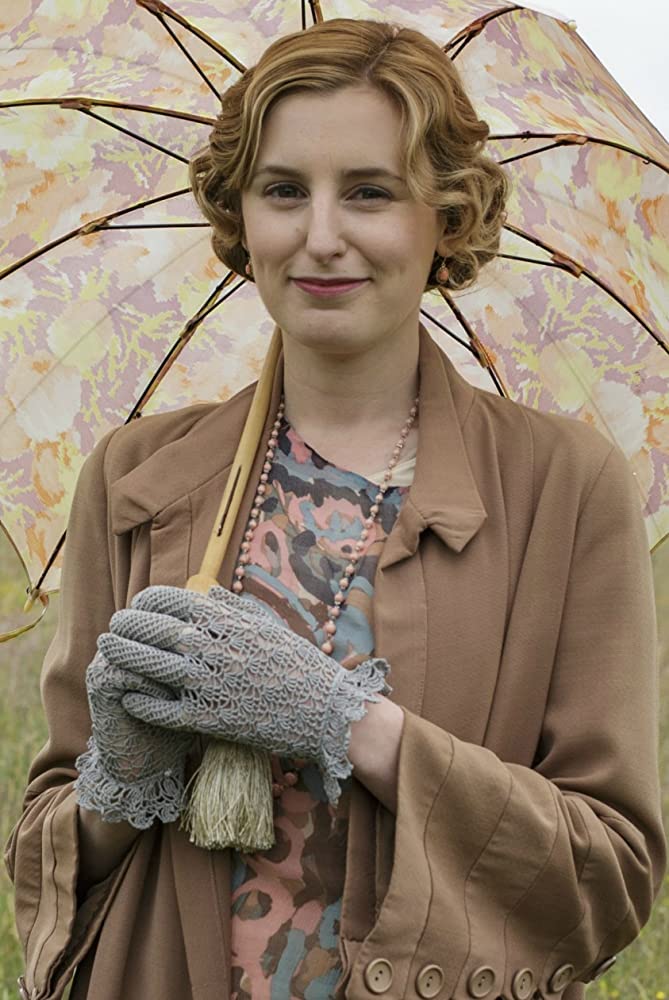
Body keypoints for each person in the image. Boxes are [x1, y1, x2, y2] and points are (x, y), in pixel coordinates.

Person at [5, 16, 666, 1000]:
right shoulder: (136, 475)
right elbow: (44, 856)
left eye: (369, 191)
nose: (320, 236)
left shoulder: (564, 487)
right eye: (283, 190)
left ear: (446, 216)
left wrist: (349, 723)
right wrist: (121, 775)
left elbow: (604, 878)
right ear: (239, 216)